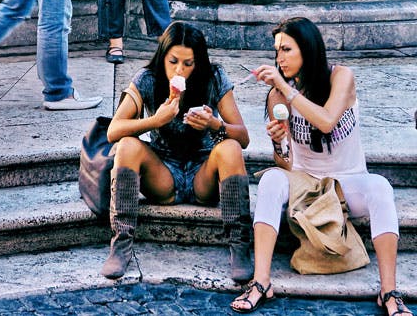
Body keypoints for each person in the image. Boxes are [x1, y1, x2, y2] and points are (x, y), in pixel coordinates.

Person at [231, 17, 411, 315]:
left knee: (381, 187)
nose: (279, 59)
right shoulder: (279, 94)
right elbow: (285, 164)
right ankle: (261, 281)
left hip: (348, 183)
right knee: (271, 180)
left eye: (287, 50)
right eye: (277, 51)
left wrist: (288, 91)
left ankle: (389, 291)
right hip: (306, 185)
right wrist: (278, 143)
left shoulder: (341, 77)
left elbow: (327, 121)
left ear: (308, 49)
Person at [103, 21, 252, 282]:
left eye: (188, 63)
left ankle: (239, 245)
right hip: (164, 174)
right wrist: (155, 121)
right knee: (126, 145)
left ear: (199, 62)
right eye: (173, 61)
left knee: (229, 148)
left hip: (203, 174)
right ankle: (121, 242)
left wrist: (215, 124)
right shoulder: (147, 79)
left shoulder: (214, 77)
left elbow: (243, 137)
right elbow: (113, 131)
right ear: (163, 56)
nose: (179, 70)